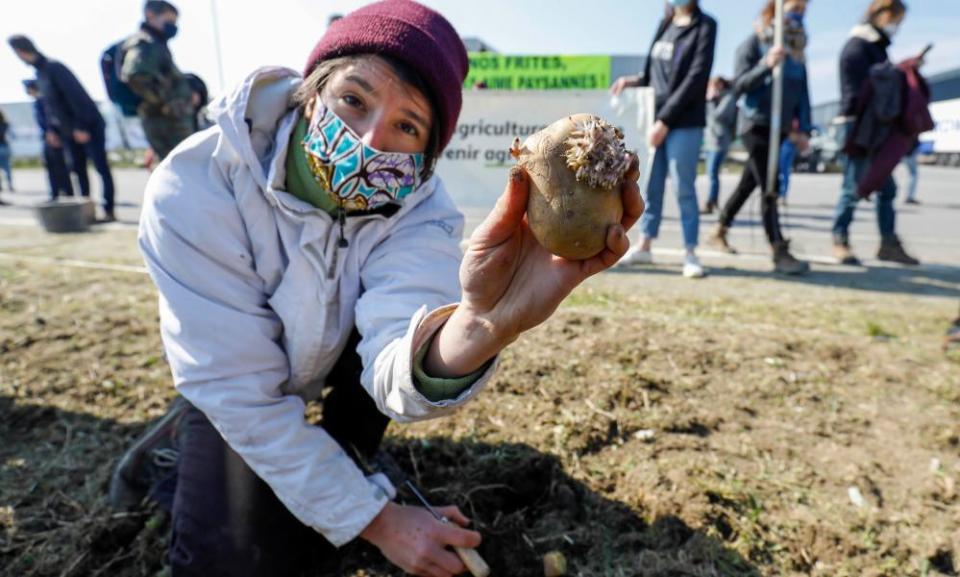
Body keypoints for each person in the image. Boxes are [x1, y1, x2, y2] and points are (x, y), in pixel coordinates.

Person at [108, 2, 643, 576]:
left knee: (379, 383)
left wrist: (481, 325)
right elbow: (247, 398)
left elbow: (393, 359)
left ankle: (347, 452)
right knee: (238, 560)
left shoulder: (420, 208)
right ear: (312, 92)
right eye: (353, 100)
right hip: (241, 384)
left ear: (427, 151)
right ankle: (177, 445)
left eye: (407, 126)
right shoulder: (195, 186)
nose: (368, 140)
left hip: (339, 356)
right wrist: (380, 521)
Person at [611, 0, 716, 278]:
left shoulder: (705, 26)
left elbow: (696, 77)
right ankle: (645, 244)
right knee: (650, 184)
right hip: (653, 120)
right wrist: (631, 81)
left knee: (684, 187)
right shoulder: (665, 24)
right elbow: (652, 74)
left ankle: (690, 252)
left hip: (683, 122)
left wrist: (665, 121)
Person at [707, 0, 811, 275]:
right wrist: (767, 64)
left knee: (749, 184)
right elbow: (740, 84)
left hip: (781, 127)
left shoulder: (798, 50)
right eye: (794, 7)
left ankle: (720, 228)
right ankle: (778, 249)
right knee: (770, 184)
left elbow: (803, 92)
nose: (798, 14)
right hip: (755, 124)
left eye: (802, 9)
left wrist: (804, 129)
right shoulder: (753, 44)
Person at [831, 0, 919, 266]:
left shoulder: (877, 48)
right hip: (857, 125)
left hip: (876, 126)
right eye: (895, 20)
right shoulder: (858, 46)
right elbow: (866, 88)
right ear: (880, 14)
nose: (896, 27)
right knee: (853, 186)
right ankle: (839, 238)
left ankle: (888, 243)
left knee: (887, 187)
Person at [7, 35, 116, 220]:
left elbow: (77, 97)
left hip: (88, 125)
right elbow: (50, 106)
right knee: (78, 170)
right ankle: (86, 211)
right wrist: (52, 130)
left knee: (100, 167)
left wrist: (82, 126)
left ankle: (108, 210)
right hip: (68, 131)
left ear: (20, 51)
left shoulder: (54, 67)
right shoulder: (39, 74)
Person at [120, 0, 195, 161]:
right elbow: (134, 75)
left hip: (171, 122)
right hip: (167, 124)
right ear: (150, 16)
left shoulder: (157, 44)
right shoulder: (146, 44)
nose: (173, 26)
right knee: (183, 170)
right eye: (169, 21)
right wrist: (165, 104)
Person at [24, 79, 74, 200]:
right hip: (46, 137)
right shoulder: (37, 102)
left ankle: (67, 193)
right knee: (51, 166)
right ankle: (55, 192)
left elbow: (49, 118)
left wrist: (52, 133)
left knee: (59, 166)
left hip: (53, 136)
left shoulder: (44, 100)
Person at [701, 76, 737, 214]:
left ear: (720, 85)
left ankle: (711, 201)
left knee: (712, 173)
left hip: (720, 141)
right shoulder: (716, 99)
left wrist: (710, 101)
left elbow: (717, 116)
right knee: (711, 173)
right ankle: (712, 200)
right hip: (710, 141)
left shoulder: (728, 98)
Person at [0, 110, 13, 199]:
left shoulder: (4, 124)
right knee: (7, 168)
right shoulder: (5, 123)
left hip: (2, 146)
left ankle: (2, 186)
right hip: (5, 146)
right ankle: (10, 185)